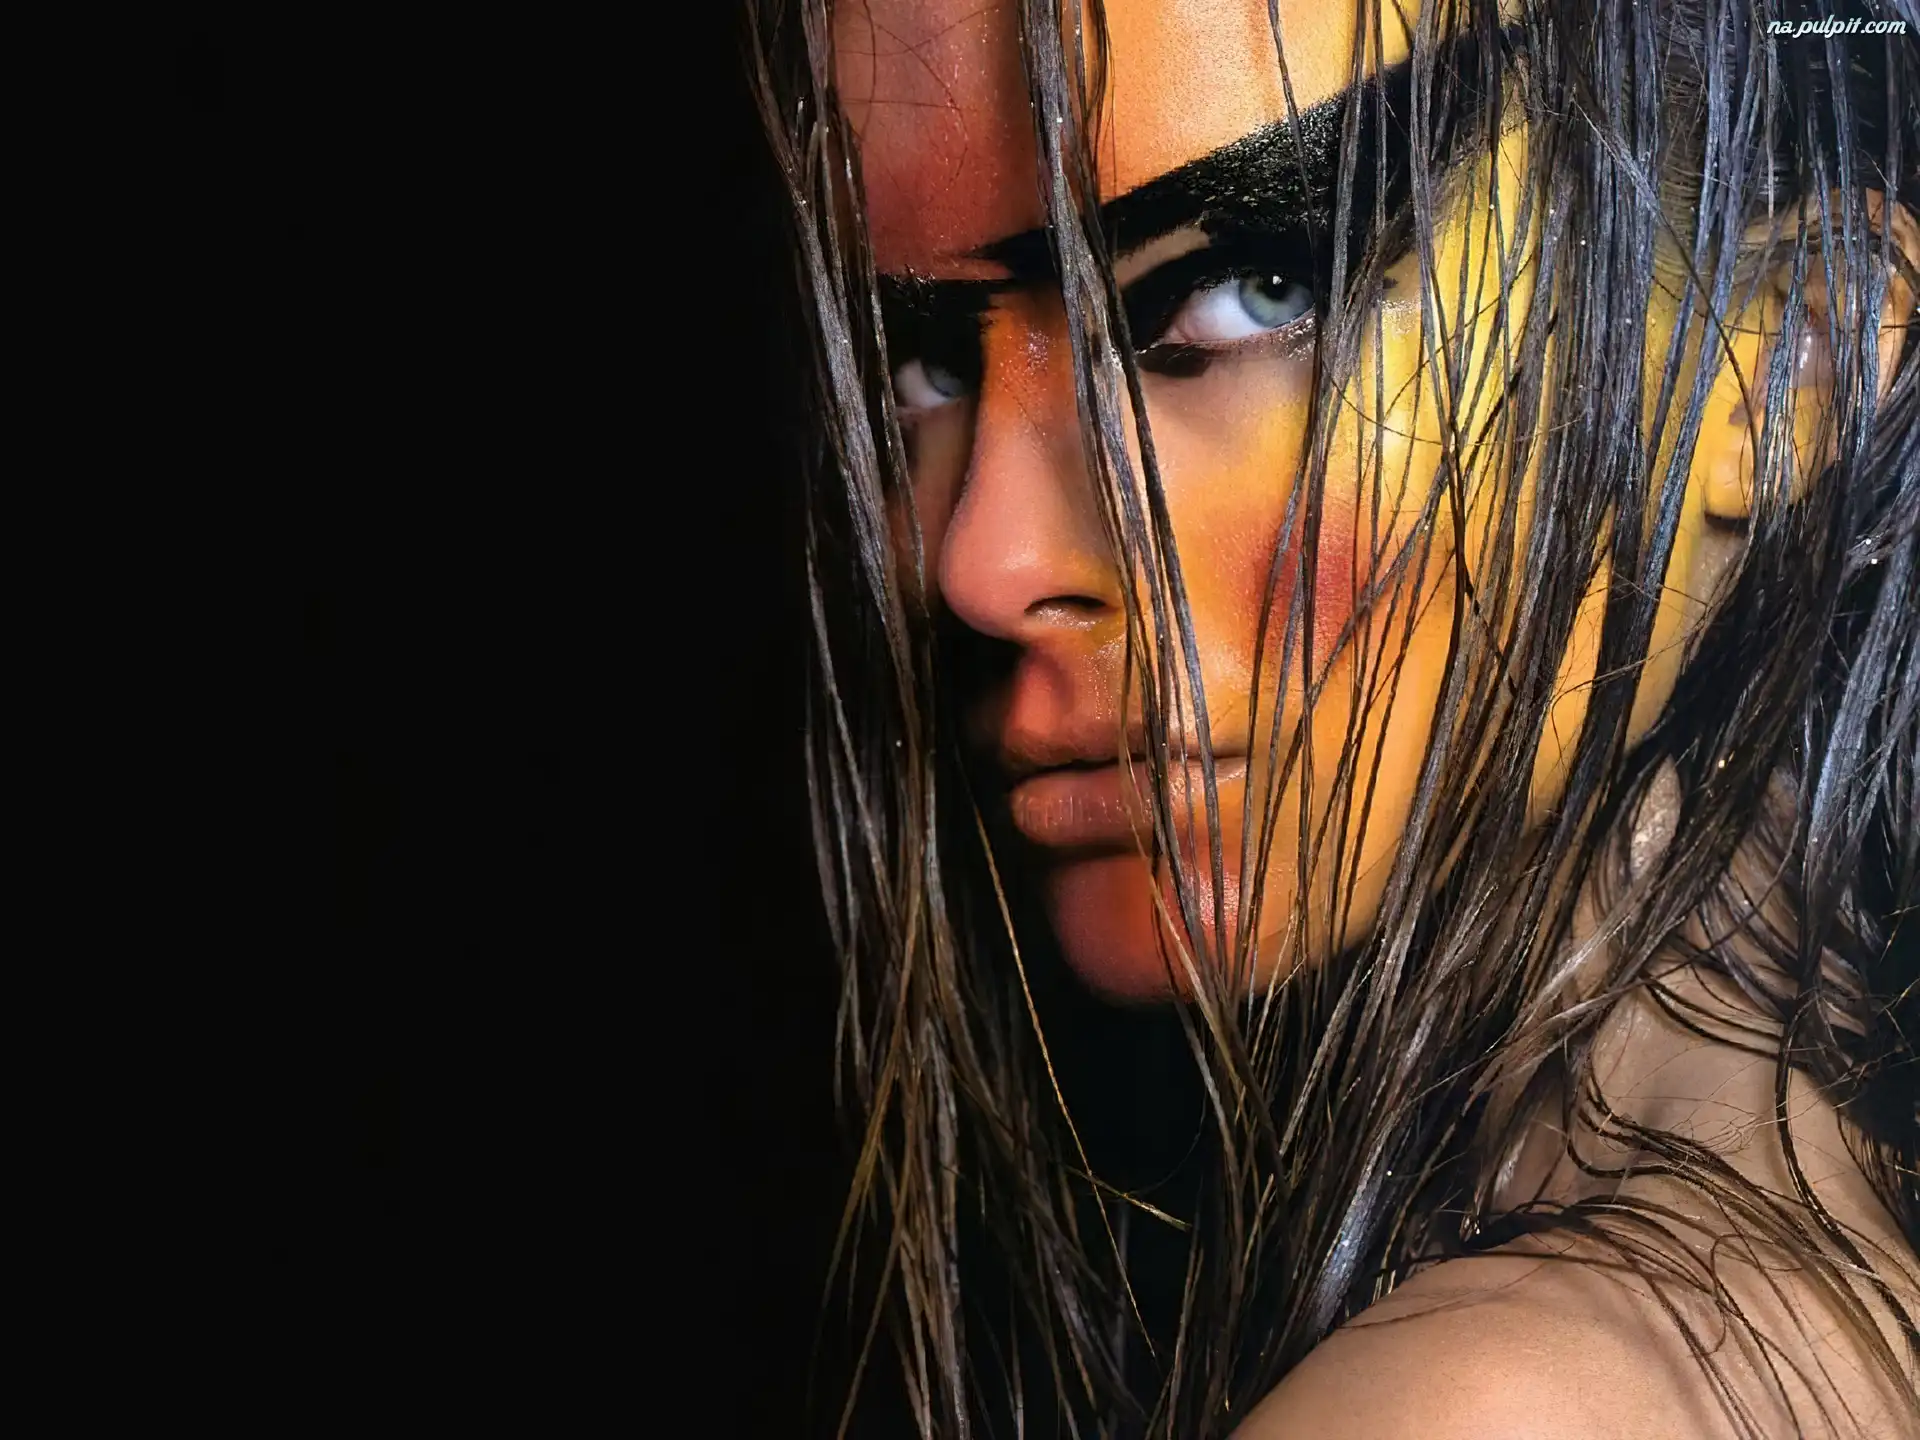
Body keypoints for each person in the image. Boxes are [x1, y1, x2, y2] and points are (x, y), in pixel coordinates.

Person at [746, 0, 1920, 1433]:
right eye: (923, 359)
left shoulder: (1489, 1405)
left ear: (1788, 368)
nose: (981, 565)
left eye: (1254, 289)